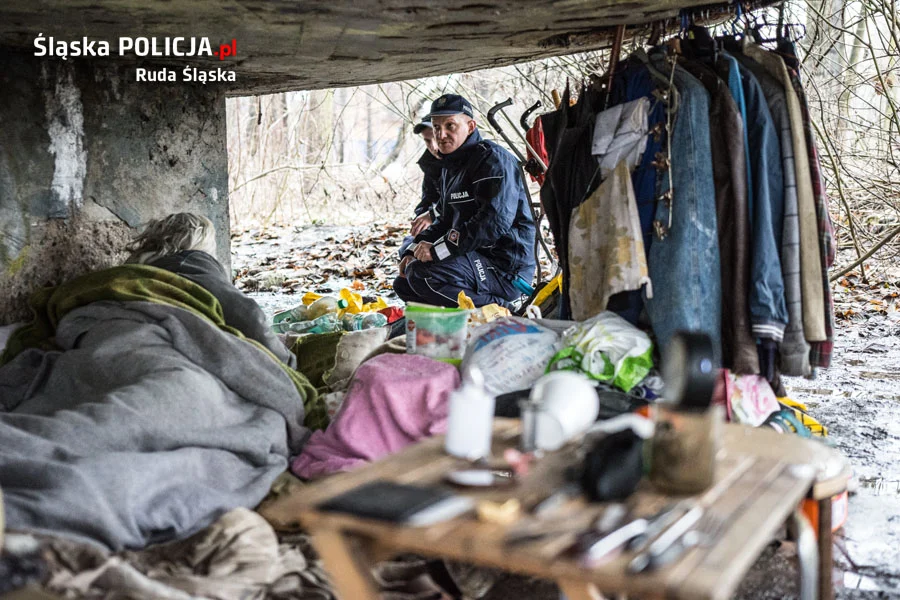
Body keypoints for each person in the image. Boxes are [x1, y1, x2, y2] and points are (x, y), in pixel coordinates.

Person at [393, 94, 536, 308]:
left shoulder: (493, 160)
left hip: (505, 270)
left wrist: (437, 251)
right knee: (403, 283)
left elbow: (493, 223)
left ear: (470, 127)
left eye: (450, 125)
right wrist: (412, 250)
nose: (441, 135)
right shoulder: (451, 168)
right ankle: (451, 329)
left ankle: (503, 309)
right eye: (436, 127)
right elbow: (443, 221)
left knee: (421, 275)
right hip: (473, 257)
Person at [126, 212, 296, 367]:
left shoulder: (132, 273)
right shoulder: (190, 264)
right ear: (204, 244)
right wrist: (288, 362)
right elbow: (248, 315)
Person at [410, 117, 442, 236]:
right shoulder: (430, 164)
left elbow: (462, 205)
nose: (433, 146)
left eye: (436, 138)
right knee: (408, 248)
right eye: (428, 141)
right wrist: (419, 223)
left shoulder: (468, 162)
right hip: (439, 223)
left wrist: (432, 215)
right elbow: (427, 200)